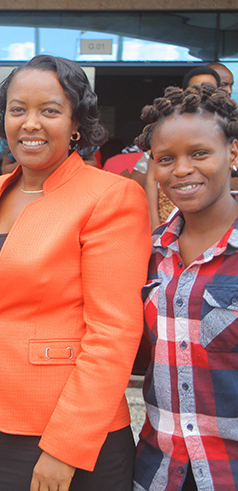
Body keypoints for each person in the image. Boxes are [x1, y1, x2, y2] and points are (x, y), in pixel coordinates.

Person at [0, 55, 150, 491]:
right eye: (18, 110)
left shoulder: (111, 196)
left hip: (61, 432)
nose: (30, 123)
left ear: (76, 123)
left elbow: (114, 333)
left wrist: (65, 448)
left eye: (50, 110)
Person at [133, 84, 238, 490]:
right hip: (159, 473)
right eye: (166, 159)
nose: (181, 170)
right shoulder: (150, 255)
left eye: (199, 153)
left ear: (232, 153)